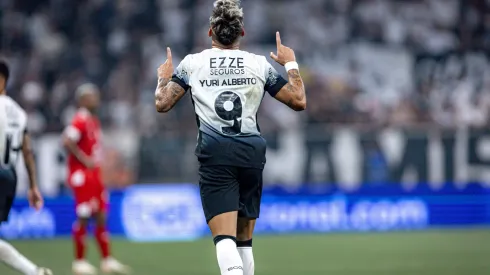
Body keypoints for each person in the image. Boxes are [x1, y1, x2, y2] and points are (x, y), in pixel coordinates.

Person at [154, 1, 306, 274]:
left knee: (224, 239)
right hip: (251, 153)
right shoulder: (259, 64)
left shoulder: (192, 64)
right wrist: (291, 63)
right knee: (244, 242)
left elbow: (162, 104)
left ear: (210, 31)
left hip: (216, 154)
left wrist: (163, 79)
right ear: (242, 33)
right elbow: (298, 100)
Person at [62, 84, 129, 275]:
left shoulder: (92, 120)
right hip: (82, 175)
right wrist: (84, 160)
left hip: (94, 175)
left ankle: (107, 260)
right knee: (84, 215)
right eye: (92, 96)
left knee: (101, 215)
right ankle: (79, 261)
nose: (96, 99)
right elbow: (67, 141)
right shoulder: (80, 119)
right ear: (83, 99)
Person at [0, 60, 52, 275]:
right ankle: (34, 271)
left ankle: (33, 271)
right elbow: (27, 151)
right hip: (9, 177)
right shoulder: (19, 113)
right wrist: (33, 186)